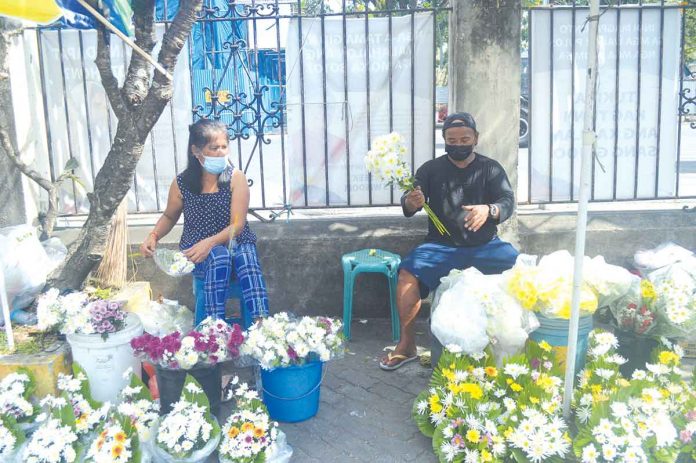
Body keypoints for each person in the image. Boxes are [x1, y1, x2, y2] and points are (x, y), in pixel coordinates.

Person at [379, 112, 519, 370]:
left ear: (475, 138)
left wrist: (490, 210)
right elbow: (411, 200)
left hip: (486, 246)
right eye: (451, 140)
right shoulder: (430, 169)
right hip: (440, 247)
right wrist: (410, 202)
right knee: (407, 275)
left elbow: (507, 202)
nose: (458, 144)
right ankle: (407, 344)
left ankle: (519, 344)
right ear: (444, 139)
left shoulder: (491, 168)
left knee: (522, 271)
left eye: (465, 138)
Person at [140, 118, 269, 322]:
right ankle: (212, 330)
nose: (221, 153)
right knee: (219, 258)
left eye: (224, 147)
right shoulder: (182, 183)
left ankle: (260, 325)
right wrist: (153, 235)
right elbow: (169, 216)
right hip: (197, 250)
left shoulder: (236, 178)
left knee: (246, 259)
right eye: (214, 148)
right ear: (196, 151)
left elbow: (238, 224)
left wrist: (210, 242)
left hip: (235, 241)